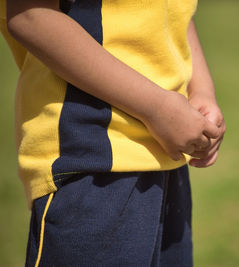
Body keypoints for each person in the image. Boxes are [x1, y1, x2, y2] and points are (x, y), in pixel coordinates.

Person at [0, 0, 225, 265]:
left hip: (166, 156)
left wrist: (201, 89)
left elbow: (173, 9)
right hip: (89, 157)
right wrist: (156, 107)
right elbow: (31, 16)